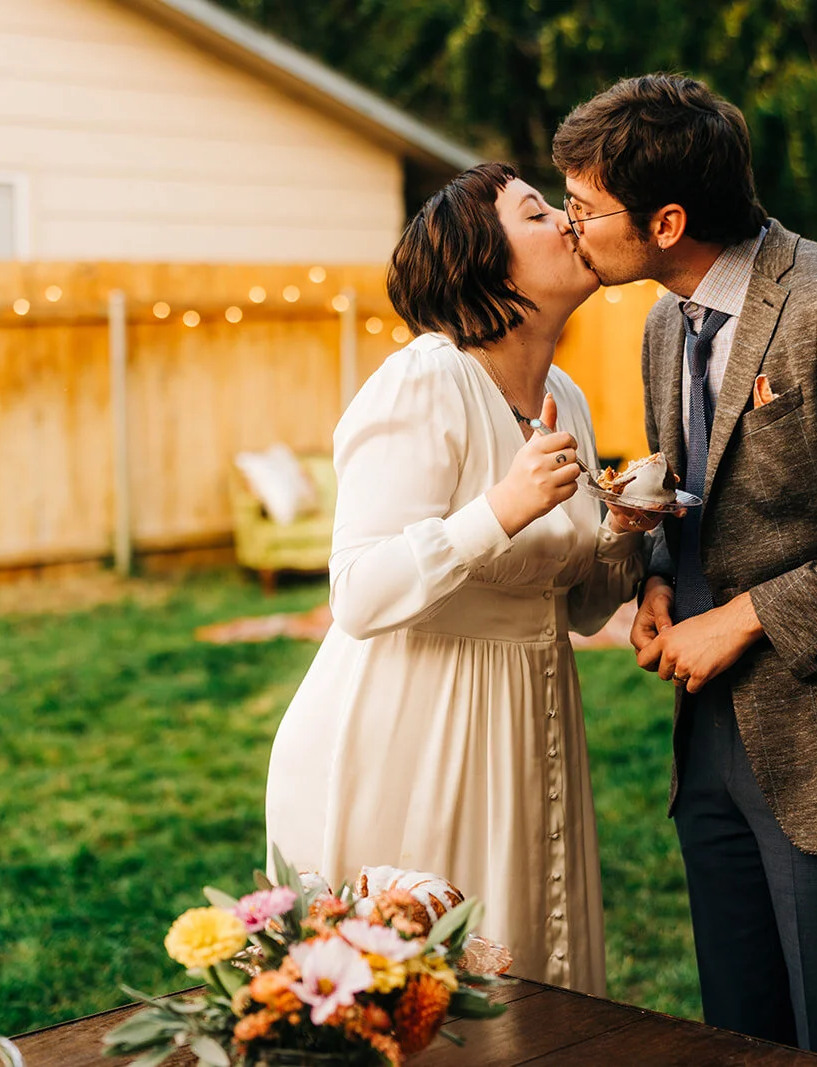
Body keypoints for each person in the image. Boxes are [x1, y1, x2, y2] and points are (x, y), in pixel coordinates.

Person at [552, 75, 817, 1064]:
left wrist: (744, 617)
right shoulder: (666, 321)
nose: (572, 224)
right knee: (738, 1032)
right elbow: (694, 498)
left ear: (666, 220)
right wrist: (657, 577)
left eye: (585, 208)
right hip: (707, 744)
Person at [265, 162, 651, 995]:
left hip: (530, 720)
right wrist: (500, 507)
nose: (568, 223)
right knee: (430, 993)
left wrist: (623, 528)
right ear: (485, 259)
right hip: (417, 730)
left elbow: (578, 610)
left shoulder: (568, 401)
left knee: (533, 980)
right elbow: (358, 593)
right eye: (538, 212)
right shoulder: (427, 379)